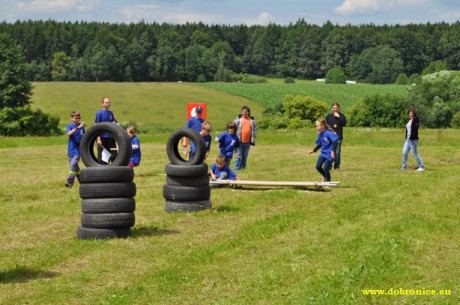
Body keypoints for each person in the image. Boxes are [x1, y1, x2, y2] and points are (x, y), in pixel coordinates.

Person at [65, 111, 86, 188]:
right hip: (71, 148)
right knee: (75, 167)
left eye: (79, 118)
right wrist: (78, 128)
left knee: (73, 164)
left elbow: (85, 136)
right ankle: (82, 181)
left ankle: (70, 182)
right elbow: (69, 133)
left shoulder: (82, 127)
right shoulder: (69, 126)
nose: (78, 119)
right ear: (72, 118)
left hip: (78, 149)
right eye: (76, 118)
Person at [234, 106, 257, 171]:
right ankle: (237, 169)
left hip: (247, 142)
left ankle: (243, 168)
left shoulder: (252, 121)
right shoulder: (238, 120)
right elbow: (233, 129)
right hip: (239, 142)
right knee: (238, 156)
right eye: (243, 112)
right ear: (241, 112)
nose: (244, 113)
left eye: (246, 112)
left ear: (249, 112)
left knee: (245, 156)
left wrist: (253, 140)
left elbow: (255, 131)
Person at [95, 97, 117, 164]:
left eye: (109, 102)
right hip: (102, 137)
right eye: (106, 102)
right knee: (102, 155)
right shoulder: (99, 113)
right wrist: (98, 139)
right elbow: (97, 127)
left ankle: (114, 168)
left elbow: (113, 124)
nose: (108, 104)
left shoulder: (111, 113)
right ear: (102, 103)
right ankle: (100, 170)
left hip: (110, 137)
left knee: (114, 154)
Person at [325, 102, 347, 170]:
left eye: (336, 108)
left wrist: (339, 117)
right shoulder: (328, 116)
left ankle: (337, 166)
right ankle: (329, 166)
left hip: (338, 137)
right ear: (332, 108)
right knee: (329, 151)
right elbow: (325, 125)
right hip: (329, 137)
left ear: (339, 108)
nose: (335, 109)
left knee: (337, 152)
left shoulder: (342, 116)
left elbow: (344, 124)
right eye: (334, 108)